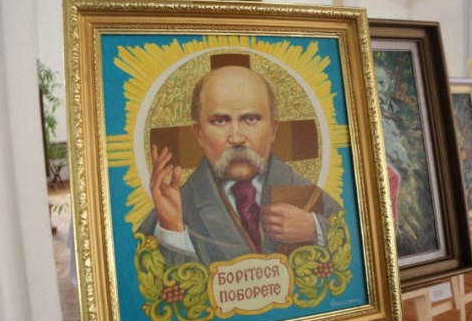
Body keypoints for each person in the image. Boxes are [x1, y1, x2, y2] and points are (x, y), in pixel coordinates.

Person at [138, 54, 342, 267]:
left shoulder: (305, 190)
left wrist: (314, 229)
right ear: (198, 133)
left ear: (273, 129)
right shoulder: (175, 208)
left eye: (250, 119)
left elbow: (352, 238)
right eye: (219, 121)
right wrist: (172, 230)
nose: (236, 137)